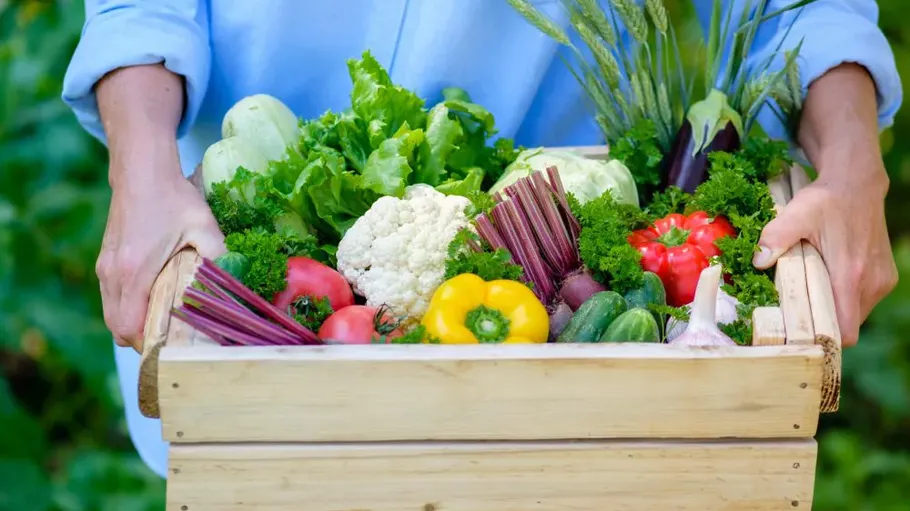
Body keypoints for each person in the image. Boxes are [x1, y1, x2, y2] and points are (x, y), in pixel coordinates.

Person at [62, 0, 900, 479]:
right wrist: (141, 166)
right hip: (250, 299)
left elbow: (808, 7)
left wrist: (854, 159)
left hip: (573, 341)